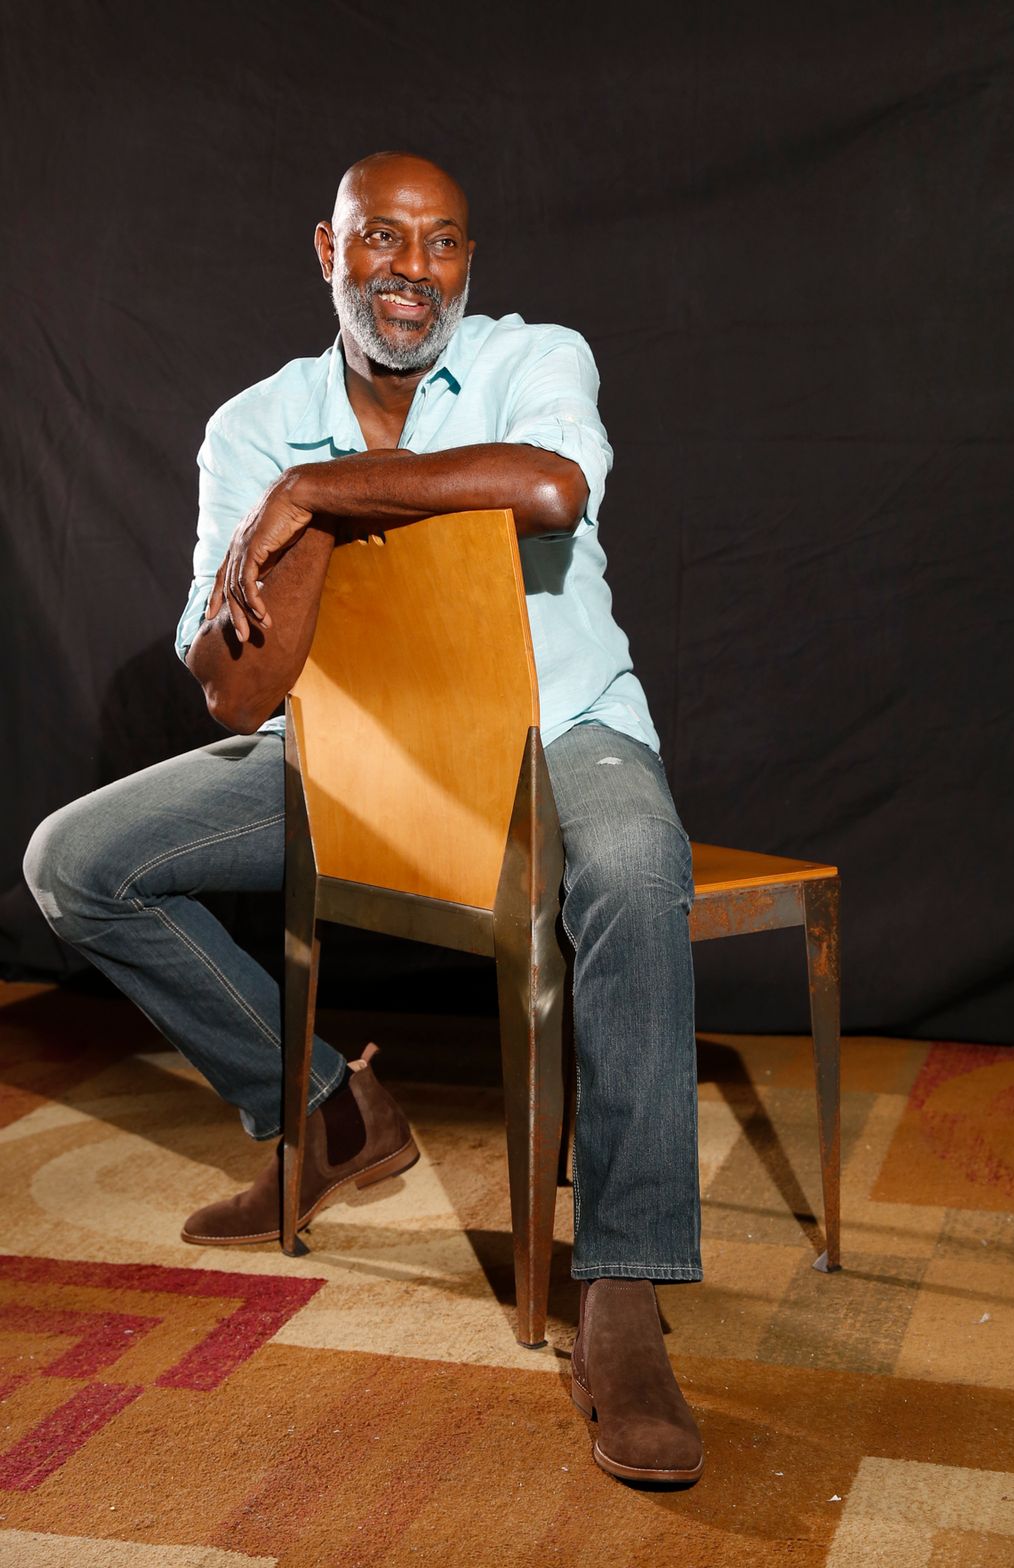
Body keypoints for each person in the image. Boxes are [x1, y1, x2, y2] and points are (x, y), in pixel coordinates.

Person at [24, 152, 704, 1486]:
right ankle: (333, 1114)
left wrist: (321, 497)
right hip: (350, 754)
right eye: (381, 238)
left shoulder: (534, 358)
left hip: (558, 731)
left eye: (442, 243)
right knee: (78, 863)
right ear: (328, 252)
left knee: (634, 862)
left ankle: (622, 1289)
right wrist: (298, 516)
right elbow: (233, 691)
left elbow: (551, 491)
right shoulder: (252, 427)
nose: (413, 269)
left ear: (469, 264)